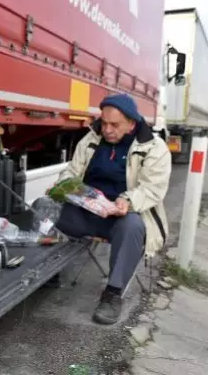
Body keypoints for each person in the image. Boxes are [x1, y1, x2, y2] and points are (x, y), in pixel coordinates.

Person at [54, 93, 171, 325]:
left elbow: (152, 188)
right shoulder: (90, 140)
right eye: (104, 123)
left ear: (132, 123)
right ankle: (48, 271)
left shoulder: (154, 148)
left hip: (123, 215)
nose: (107, 129)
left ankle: (113, 293)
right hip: (89, 210)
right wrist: (66, 186)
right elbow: (72, 170)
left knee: (132, 226)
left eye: (114, 125)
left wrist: (127, 201)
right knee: (46, 209)